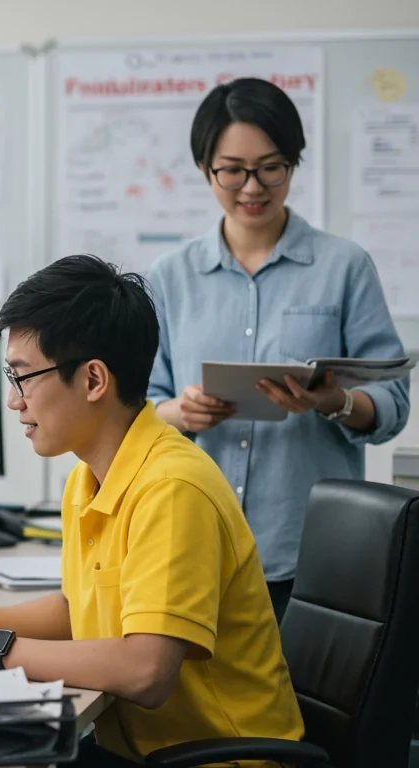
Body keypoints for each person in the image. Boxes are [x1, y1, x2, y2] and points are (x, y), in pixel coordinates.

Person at [0, 255, 303, 766]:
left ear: (92, 381)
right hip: (140, 749)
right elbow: (75, 612)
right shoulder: (90, 477)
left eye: (23, 378)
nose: (13, 401)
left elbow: (146, 671)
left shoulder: (172, 487)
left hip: (222, 759)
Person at [147, 78, 409, 621]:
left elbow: (394, 403)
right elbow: (137, 407)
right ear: (204, 168)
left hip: (313, 550)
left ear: (293, 163)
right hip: (198, 543)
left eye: (272, 167)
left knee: (305, 704)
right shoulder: (170, 277)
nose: (252, 187)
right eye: (232, 169)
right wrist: (180, 411)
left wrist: (332, 402)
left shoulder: (344, 267)